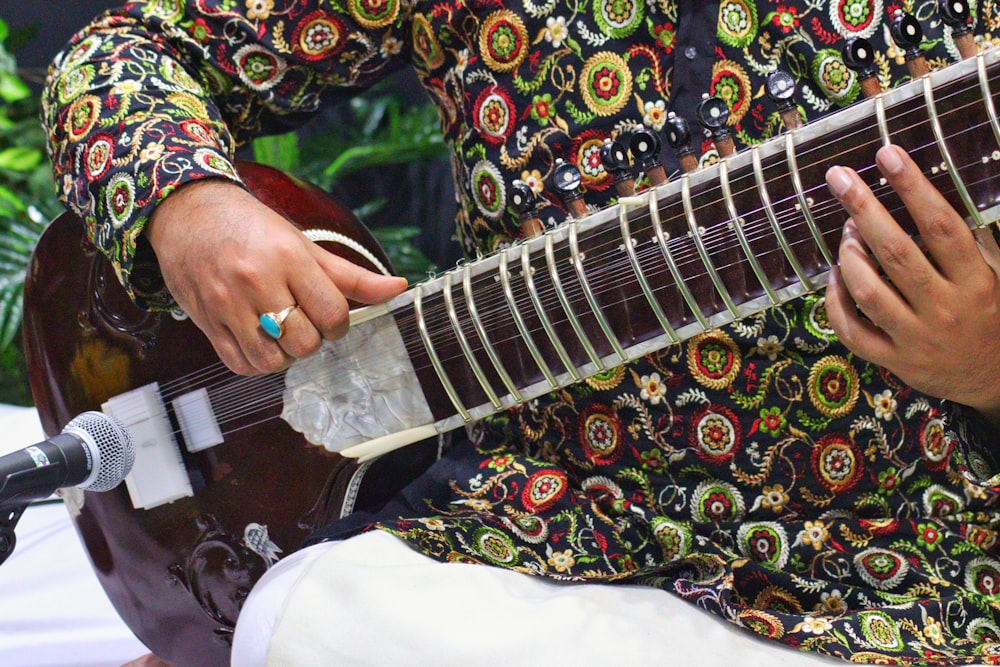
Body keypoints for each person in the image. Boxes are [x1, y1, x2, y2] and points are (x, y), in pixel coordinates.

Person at [41, 1, 1000, 664]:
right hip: (547, 533)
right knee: (301, 623)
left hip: (904, 574)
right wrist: (191, 204)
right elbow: (120, 56)